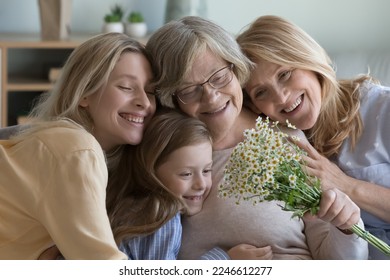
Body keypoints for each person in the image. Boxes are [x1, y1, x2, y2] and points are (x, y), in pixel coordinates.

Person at [145, 16, 368, 260]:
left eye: (219, 77)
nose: (211, 98)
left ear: (237, 70)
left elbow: (337, 262)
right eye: (189, 90)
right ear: (172, 98)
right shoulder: (160, 154)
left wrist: (347, 227)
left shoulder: (286, 141)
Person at [236, 15, 390, 259]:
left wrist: (344, 184)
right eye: (261, 92)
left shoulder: (382, 107)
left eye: (284, 74)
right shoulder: (282, 153)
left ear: (308, 59)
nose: (282, 97)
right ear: (255, 107)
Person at [0, 32, 156, 260]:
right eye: (126, 87)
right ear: (84, 93)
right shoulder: (76, 149)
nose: (145, 102)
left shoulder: (57, 141)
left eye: (151, 91)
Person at [109, 109, 272, 260]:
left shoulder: (134, 207)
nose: (201, 184)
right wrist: (227, 260)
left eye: (207, 170)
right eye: (186, 174)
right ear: (151, 172)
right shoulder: (161, 218)